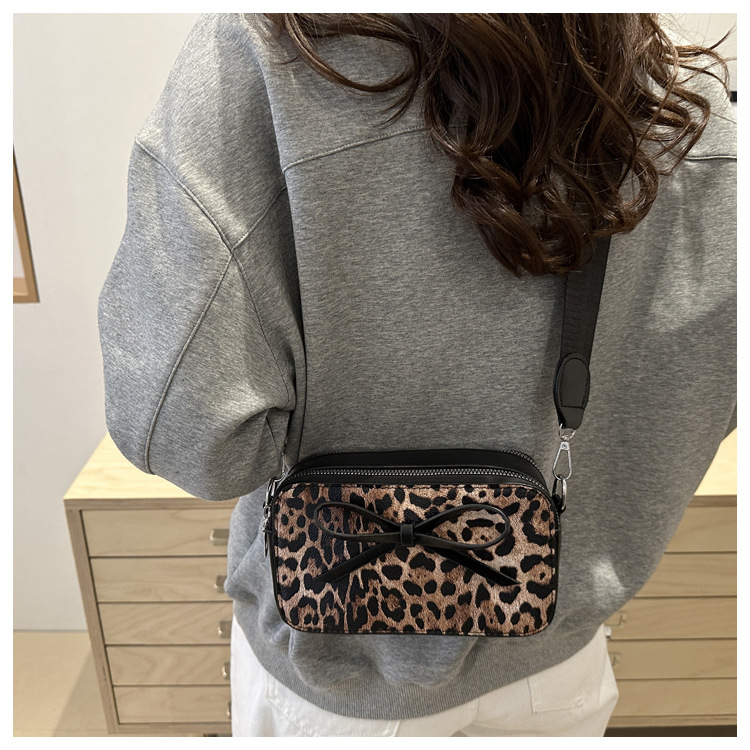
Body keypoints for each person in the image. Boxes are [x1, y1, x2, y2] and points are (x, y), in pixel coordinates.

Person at [97, 13, 736, 737]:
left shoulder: (271, 56)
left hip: (333, 685)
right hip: (558, 668)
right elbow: (697, 401)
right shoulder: (694, 116)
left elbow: (186, 432)